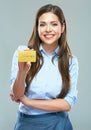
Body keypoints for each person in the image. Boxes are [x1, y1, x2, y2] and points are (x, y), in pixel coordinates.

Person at [10, 4, 79, 130]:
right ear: (37, 28)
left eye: (54, 24)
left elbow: (67, 104)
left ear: (62, 27)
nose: (48, 29)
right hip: (27, 124)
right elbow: (17, 94)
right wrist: (22, 72)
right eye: (42, 24)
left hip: (59, 124)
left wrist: (28, 101)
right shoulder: (24, 53)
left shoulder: (70, 61)